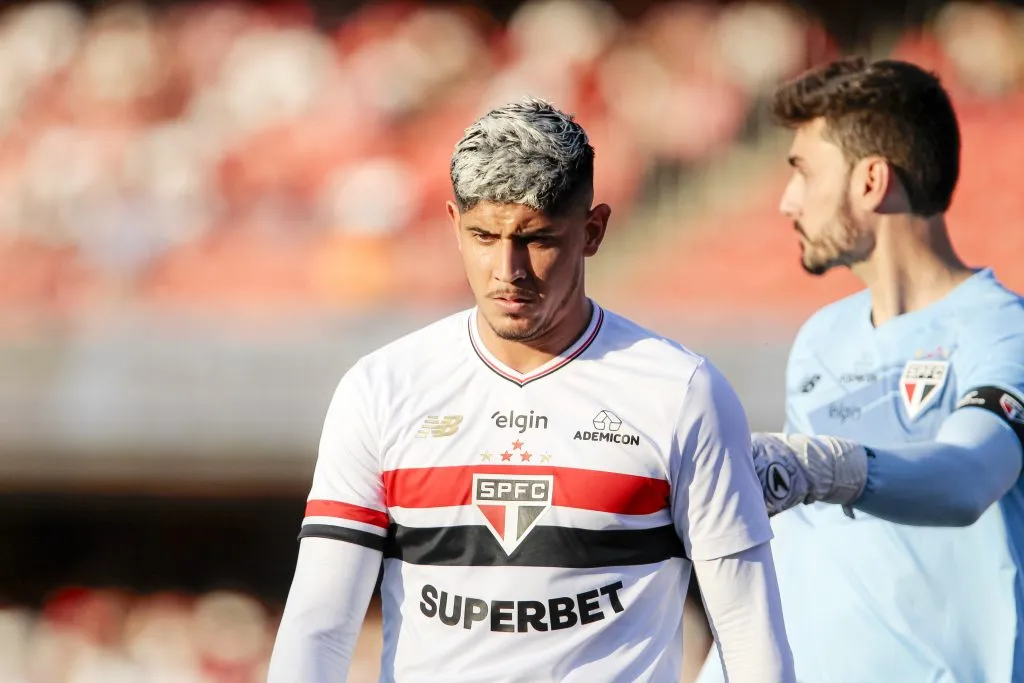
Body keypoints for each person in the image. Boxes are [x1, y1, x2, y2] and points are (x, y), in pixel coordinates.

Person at [266, 98, 795, 683]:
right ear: (452, 224)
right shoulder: (382, 387)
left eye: (538, 239)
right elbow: (319, 625)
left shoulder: (681, 391)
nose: (508, 269)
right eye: (484, 236)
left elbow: (748, 627)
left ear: (593, 232)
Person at [696, 56, 1024, 683]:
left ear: (871, 181)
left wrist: (828, 467)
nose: (787, 202)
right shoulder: (823, 336)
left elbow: (969, 477)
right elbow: (803, 543)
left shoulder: (1001, 329)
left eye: (803, 172)